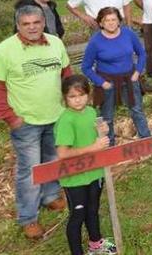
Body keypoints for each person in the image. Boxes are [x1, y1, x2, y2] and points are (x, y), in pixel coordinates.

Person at [0, 5, 72, 239]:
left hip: (56, 116)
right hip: (26, 123)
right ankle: (28, 218)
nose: (32, 27)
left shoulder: (56, 43)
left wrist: (70, 105)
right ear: (18, 25)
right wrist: (11, 118)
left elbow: (67, 75)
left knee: (52, 160)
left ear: (43, 22)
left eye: (36, 22)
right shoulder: (4, 51)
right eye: (26, 24)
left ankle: (51, 196)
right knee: (30, 171)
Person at [54, 75, 117, 255]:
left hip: (95, 172)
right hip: (75, 178)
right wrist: (93, 147)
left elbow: (94, 132)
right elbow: (62, 153)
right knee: (78, 215)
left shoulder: (90, 112)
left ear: (88, 95)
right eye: (72, 97)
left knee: (93, 210)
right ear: (65, 99)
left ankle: (95, 245)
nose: (77, 100)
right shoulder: (66, 120)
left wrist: (102, 129)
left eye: (81, 95)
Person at [81, 7, 152, 146]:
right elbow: (86, 67)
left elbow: (142, 53)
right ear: (101, 23)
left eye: (114, 19)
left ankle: (146, 139)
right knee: (107, 116)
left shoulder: (128, 34)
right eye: (106, 20)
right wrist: (101, 82)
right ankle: (109, 145)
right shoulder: (95, 41)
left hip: (129, 78)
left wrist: (137, 72)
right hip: (107, 81)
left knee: (137, 110)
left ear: (119, 21)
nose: (111, 23)